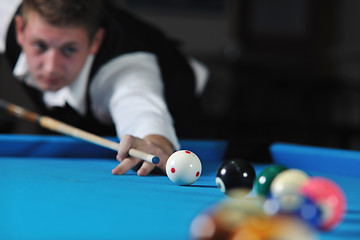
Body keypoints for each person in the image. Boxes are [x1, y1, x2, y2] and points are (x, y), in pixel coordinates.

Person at [0, 0, 208, 176]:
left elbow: (140, 105)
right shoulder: (6, 12)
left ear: (95, 42)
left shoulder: (124, 68)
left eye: (69, 49)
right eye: (40, 46)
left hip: (180, 107)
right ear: (20, 30)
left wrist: (155, 142)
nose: (51, 67)